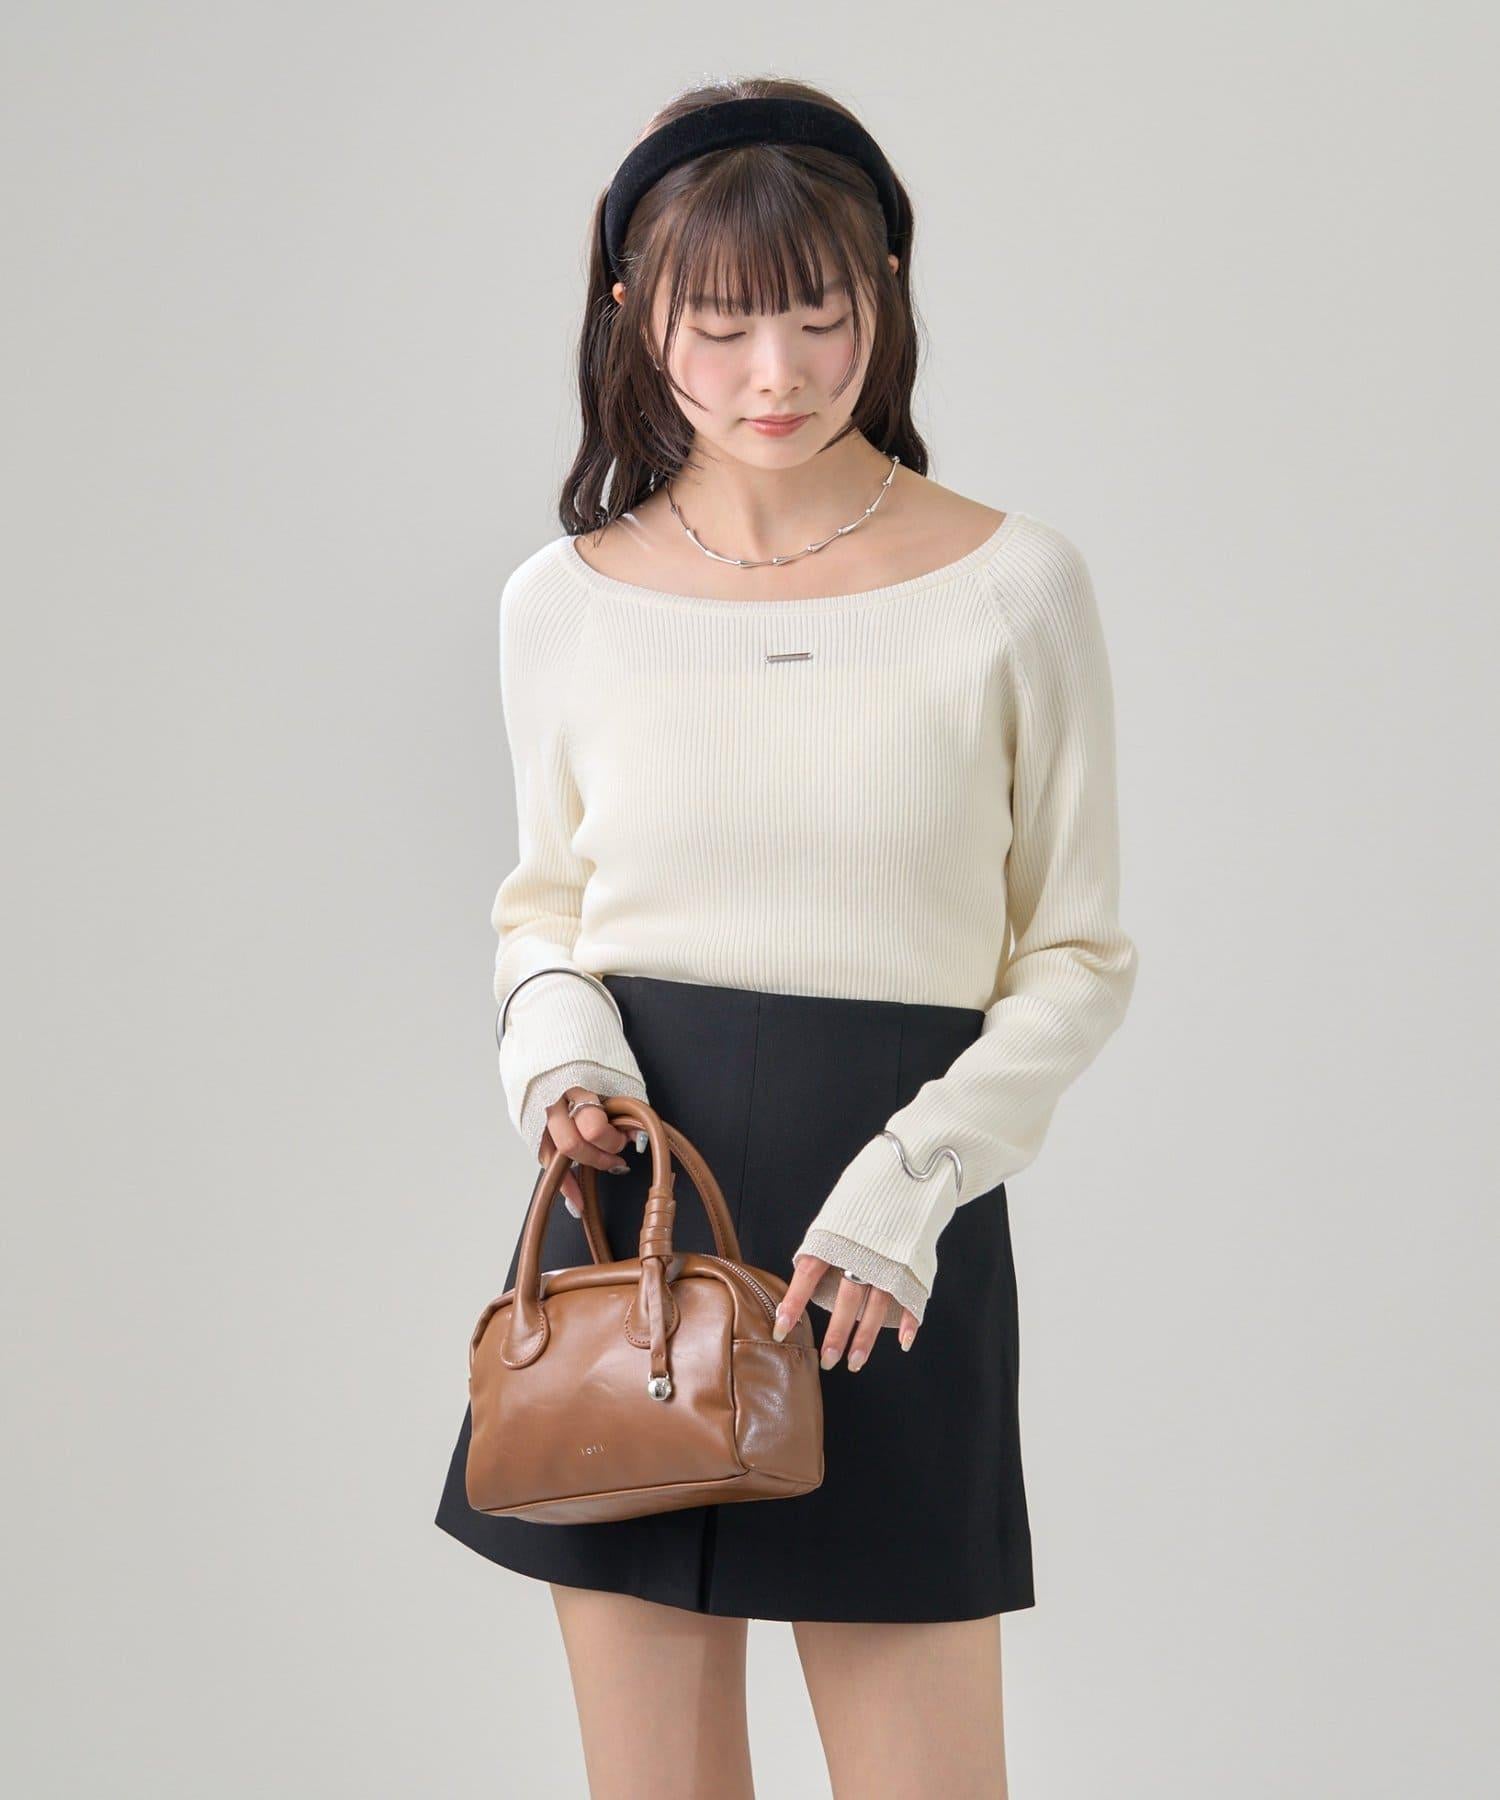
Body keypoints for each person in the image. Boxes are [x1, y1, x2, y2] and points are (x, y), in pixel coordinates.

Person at [436, 74, 1140, 1799]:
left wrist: (918, 1183)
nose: (777, 375)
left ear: (885, 295)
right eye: (722, 324)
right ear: (633, 311)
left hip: (883, 1241)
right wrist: (561, 1061)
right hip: (636, 1222)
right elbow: (546, 905)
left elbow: (1075, 957)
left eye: (821, 317)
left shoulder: (1014, 587)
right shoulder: (563, 601)